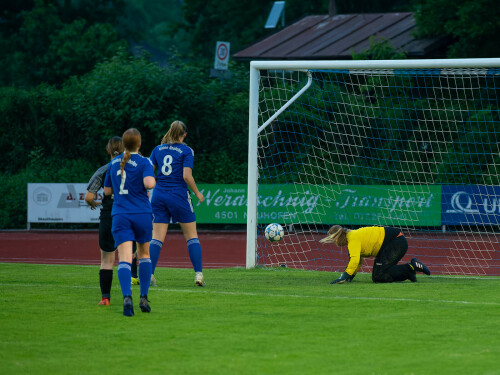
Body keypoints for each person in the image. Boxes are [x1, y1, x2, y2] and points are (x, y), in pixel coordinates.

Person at [104, 128, 156, 316]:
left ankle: (127, 297)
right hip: (141, 214)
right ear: (139, 144)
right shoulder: (144, 162)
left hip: (121, 215)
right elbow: (149, 184)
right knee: (144, 254)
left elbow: (107, 192)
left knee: (124, 258)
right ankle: (143, 296)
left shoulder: (113, 163)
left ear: (123, 143)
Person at [148, 120, 206, 287]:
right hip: (178, 195)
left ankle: (150, 275)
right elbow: (186, 176)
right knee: (191, 236)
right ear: (184, 135)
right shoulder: (186, 150)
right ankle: (199, 274)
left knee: (157, 238)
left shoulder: (157, 149)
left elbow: (149, 173)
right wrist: (197, 193)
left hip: (159, 195)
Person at [85, 136, 124, 306]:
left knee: (107, 259)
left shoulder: (104, 170)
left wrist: (93, 203)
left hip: (109, 214)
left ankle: (105, 297)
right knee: (129, 256)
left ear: (108, 151)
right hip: (129, 213)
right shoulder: (135, 167)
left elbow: (88, 196)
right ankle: (130, 297)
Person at [320, 225, 431, 284]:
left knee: (379, 276)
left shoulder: (352, 238)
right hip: (393, 242)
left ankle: (412, 267)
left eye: (335, 240)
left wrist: (344, 277)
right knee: (379, 275)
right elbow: (357, 261)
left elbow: (354, 260)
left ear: (339, 237)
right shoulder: (352, 236)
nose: (336, 243)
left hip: (396, 241)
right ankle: (410, 270)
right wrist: (350, 277)